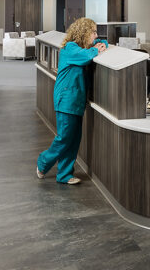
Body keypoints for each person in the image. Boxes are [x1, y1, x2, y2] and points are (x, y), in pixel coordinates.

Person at [37, 18, 107, 184]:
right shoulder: (70, 49)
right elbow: (86, 56)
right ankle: (43, 162)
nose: (96, 35)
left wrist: (101, 43)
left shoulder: (83, 47)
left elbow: (102, 43)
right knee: (64, 138)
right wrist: (97, 49)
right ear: (84, 33)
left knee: (74, 139)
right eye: (93, 32)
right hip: (66, 100)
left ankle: (65, 174)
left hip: (76, 100)